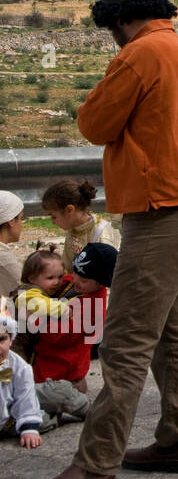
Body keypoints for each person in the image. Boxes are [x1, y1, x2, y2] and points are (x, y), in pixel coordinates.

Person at [35, 0, 178, 479]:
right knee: (173, 332)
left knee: (126, 341)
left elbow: (93, 122)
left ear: (115, 15)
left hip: (158, 213)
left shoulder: (138, 54)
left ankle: (94, 466)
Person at [14, 247, 97, 424]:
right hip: (18, 349)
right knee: (22, 379)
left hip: (33, 348)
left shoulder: (45, 291)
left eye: (60, 277)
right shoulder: (28, 294)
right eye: (50, 278)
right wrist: (67, 307)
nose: (57, 282)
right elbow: (46, 307)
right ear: (31, 278)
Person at [41, 180, 121, 274]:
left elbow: (109, 275)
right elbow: (67, 267)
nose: (53, 222)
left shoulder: (101, 234)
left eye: (54, 217)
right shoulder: (73, 229)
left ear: (69, 210)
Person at [0, 308, 47, 448]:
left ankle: (84, 406)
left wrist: (29, 427)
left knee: (56, 396)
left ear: (11, 340)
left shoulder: (20, 366)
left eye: (2, 339)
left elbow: (25, 397)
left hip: (11, 418)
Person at [0, 191, 25, 296]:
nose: (21, 225)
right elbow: (27, 290)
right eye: (21, 218)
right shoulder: (3, 257)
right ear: (11, 221)